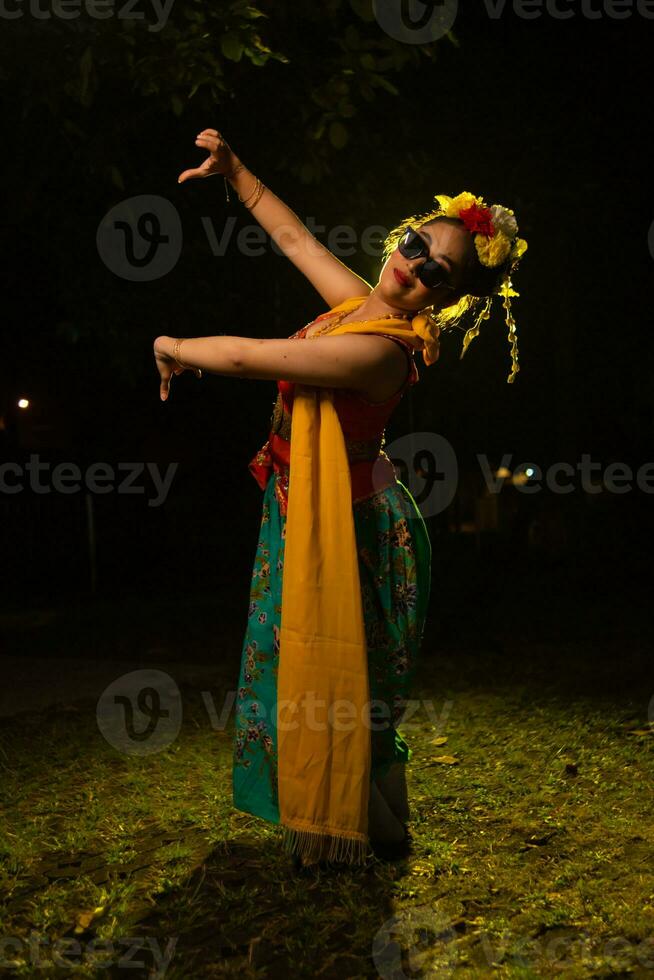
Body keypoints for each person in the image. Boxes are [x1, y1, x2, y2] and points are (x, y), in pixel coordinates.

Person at [153, 128, 528, 870]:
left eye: (438, 273)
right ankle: (388, 836)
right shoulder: (363, 306)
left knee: (339, 689)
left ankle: (378, 836)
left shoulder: (378, 350)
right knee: (347, 691)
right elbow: (295, 240)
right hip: (314, 510)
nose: (415, 267)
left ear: (449, 298)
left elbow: (246, 358)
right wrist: (236, 171)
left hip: (352, 527)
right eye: (417, 245)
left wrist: (172, 344)